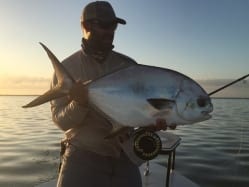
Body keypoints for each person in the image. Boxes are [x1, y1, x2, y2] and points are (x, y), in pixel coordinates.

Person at [51, 1, 171, 187]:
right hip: (82, 156)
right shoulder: (68, 68)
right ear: (85, 26)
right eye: (104, 25)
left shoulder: (129, 66)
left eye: (113, 25)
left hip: (124, 156)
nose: (110, 31)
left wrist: (152, 122)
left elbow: (137, 111)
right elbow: (61, 121)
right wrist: (79, 104)